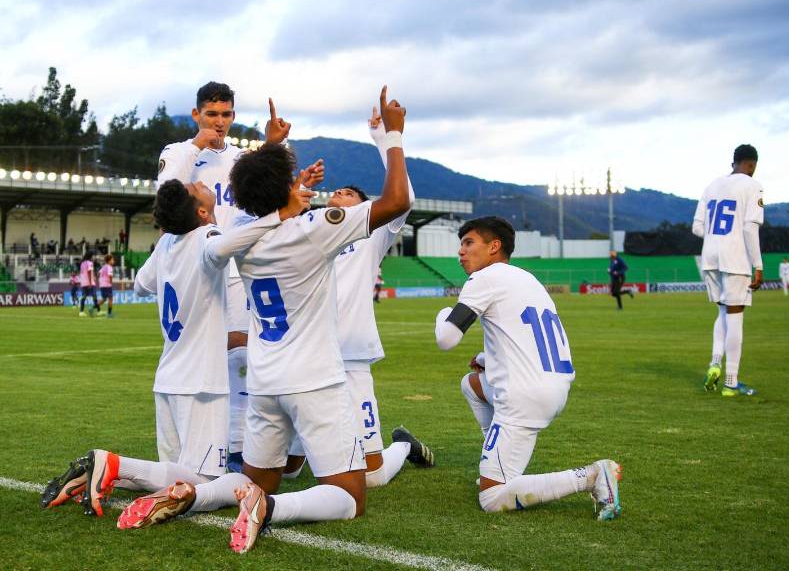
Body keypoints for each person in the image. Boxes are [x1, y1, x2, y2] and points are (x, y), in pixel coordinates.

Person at [40, 175, 314, 520]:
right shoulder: (206, 237)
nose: (201, 182)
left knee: (175, 478)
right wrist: (282, 213)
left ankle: (103, 473)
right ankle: (113, 463)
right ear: (202, 212)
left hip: (168, 378)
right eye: (196, 189)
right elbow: (222, 245)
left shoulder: (167, 243)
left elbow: (141, 285)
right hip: (200, 383)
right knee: (211, 482)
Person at [157, 82, 320, 470]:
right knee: (215, 357)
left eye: (226, 115)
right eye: (211, 115)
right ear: (197, 115)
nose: (219, 123)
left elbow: (261, 189)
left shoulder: (239, 157)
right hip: (202, 264)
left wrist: (273, 146)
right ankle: (219, 447)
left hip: (241, 265)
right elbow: (166, 195)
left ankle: (250, 445)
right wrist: (198, 143)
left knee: (247, 354)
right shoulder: (178, 153)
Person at [282, 107, 433, 489]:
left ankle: (402, 446)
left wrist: (385, 139)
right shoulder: (308, 228)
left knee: (374, 476)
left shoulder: (372, 235)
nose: (341, 193)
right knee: (288, 471)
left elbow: (404, 198)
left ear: (366, 208)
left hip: (350, 356)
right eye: (337, 191)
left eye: (351, 194)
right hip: (307, 357)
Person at [434, 216, 621, 520]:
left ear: (494, 246)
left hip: (525, 396)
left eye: (469, 243)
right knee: (473, 384)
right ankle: (494, 459)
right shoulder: (527, 279)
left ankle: (591, 475)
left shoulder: (484, 278)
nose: (461, 252)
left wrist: (443, 313)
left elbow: (446, 338)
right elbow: (525, 338)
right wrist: (485, 359)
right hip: (552, 385)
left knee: (492, 498)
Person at [692, 144, 763, 397]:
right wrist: (758, 265)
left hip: (710, 257)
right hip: (735, 258)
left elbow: (698, 228)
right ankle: (731, 382)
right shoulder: (752, 185)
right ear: (752, 164)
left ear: (733, 161)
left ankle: (714, 363)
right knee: (736, 316)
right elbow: (749, 229)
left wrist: (716, 238)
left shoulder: (711, 186)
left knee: (723, 311)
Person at [78, 252, 100, 317]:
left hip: (83, 282)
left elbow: (82, 273)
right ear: (90, 256)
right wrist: (90, 282)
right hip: (89, 282)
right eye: (92, 256)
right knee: (94, 296)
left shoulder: (82, 263)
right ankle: (98, 311)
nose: (93, 257)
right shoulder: (89, 263)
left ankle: (81, 312)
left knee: (84, 296)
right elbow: (89, 272)